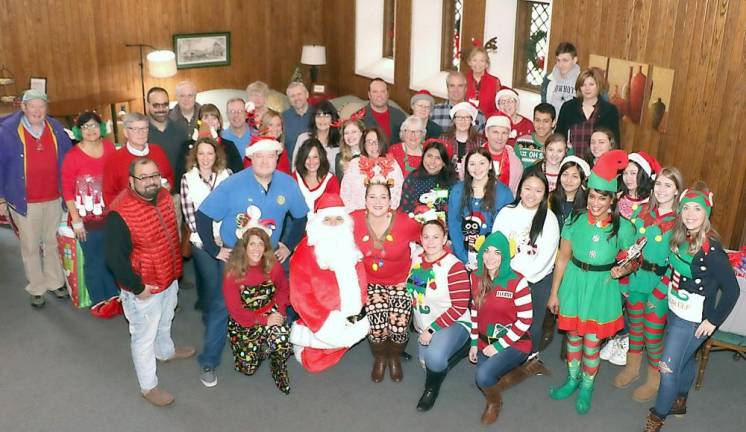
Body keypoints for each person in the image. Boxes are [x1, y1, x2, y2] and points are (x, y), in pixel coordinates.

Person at [642, 186, 740, 432]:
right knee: (683, 360)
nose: (690, 214)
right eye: (686, 207)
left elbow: (732, 290)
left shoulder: (712, 250)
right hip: (676, 310)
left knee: (667, 368)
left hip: (694, 320)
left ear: (706, 213)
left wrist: (713, 321)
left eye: (697, 209)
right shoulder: (679, 235)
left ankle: (657, 417)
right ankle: (680, 400)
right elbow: (672, 270)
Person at [547, 150, 635, 415]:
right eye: (593, 197)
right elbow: (562, 258)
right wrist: (554, 294)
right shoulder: (574, 219)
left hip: (601, 286)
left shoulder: (624, 228)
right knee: (573, 336)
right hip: (574, 282)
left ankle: (587, 384)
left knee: (592, 340)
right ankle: (573, 379)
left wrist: (625, 269)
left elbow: (632, 260)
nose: (596, 203)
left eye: (602, 198)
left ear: (613, 199)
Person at [105, 157, 195, 407]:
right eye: (143, 178)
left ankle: (165, 352)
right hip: (144, 287)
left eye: (154, 175)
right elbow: (114, 258)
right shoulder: (119, 212)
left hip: (168, 276)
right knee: (144, 336)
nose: (150, 181)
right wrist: (137, 287)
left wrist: (176, 271)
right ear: (131, 181)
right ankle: (148, 386)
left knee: (165, 320)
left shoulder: (165, 195)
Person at [613, 167, 682, 402]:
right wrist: (622, 274)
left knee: (652, 335)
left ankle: (654, 379)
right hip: (635, 279)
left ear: (676, 192)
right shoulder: (642, 212)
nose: (661, 190)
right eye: (659, 184)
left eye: (668, 185)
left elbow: (678, 264)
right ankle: (633, 368)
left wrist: (661, 291)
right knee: (635, 328)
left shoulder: (680, 222)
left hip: (659, 284)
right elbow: (629, 249)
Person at [0, 89, 72, 307]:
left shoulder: (56, 129)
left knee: (52, 242)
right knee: (30, 246)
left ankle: (54, 282)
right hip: (24, 201)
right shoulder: (7, 132)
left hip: (53, 197)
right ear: (23, 107)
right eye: (33, 106)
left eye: (41, 106)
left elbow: (68, 159)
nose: (37, 111)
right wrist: (1, 199)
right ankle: (37, 287)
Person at [195, 137, 308, 266]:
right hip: (236, 258)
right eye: (259, 156)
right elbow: (202, 216)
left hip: (270, 257)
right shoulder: (232, 184)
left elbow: (301, 217)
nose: (265, 162)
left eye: (270, 156)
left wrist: (288, 246)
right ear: (251, 157)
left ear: (277, 157)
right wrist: (215, 250)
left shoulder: (288, 184)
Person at [289, 194, 370, 372]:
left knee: (341, 342)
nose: (334, 223)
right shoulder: (305, 250)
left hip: (350, 313)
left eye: (338, 219)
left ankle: (340, 341)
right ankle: (312, 345)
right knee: (313, 362)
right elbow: (299, 296)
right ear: (317, 222)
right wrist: (325, 322)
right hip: (321, 318)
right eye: (327, 219)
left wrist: (358, 308)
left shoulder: (349, 243)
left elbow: (361, 278)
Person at [492, 167, 559, 375]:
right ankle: (504, 354)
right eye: (527, 188)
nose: (532, 194)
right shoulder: (506, 213)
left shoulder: (549, 219)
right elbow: (496, 246)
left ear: (545, 194)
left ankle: (531, 356)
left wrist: (523, 281)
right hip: (507, 279)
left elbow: (546, 256)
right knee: (505, 320)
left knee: (532, 324)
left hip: (535, 281)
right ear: (519, 189)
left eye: (538, 190)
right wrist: (506, 277)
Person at [352, 182, 420, 382]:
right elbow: (329, 229)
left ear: (391, 201)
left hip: (400, 281)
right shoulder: (354, 219)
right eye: (372, 196)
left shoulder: (405, 222)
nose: (378, 202)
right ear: (365, 200)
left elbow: (431, 238)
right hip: (371, 283)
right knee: (377, 324)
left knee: (399, 328)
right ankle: (381, 357)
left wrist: (414, 279)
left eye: (383, 197)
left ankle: (394, 357)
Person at [179, 136, 232, 387]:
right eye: (201, 154)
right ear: (195, 156)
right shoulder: (187, 179)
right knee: (212, 293)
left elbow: (233, 209)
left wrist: (226, 238)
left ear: (216, 155)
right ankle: (214, 330)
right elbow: (191, 218)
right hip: (203, 245)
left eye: (210, 153)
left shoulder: (226, 175)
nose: (206, 158)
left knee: (225, 293)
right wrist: (211, 243)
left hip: (228, 243)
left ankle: (216, 330)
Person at [468, 231, 534, 425]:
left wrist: (498, 347)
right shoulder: (475, 277)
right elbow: (474, 311)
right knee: (485, 378)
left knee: (483, 377)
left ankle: (494, 404)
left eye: (497, 252)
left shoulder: (518, 281)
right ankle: (521, 370)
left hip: (515, 343)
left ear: (505, 256)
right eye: (486, 251)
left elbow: (525, 320)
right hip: (483, 340)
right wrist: (473, 343)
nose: (490, 257)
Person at [407, 220, 470, 411]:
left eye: (436, 237)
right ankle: (444, 352)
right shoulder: (418, 258)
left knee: (435, 359)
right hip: (425, 323)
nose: (430, 241)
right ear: (420, 239)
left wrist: (432, 329)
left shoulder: (454, 267)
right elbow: (416, 289)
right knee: (426, 363)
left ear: (444, 239)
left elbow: (459, 307)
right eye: (426, 237)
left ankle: (431, 388)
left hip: (454, 321)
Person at [61, 111, 120, 317]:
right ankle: (98, 301)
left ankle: (114, 297)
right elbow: (67, 190)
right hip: (85, 218)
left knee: (111, 256)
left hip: (110, 214)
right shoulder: (72, 156)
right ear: (79, 131)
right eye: (85, 127)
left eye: (94, 125)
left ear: (101, 128)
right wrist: (76, 220)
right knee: (94, 259)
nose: (90, 130)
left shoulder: (110, 148)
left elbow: (117, 178)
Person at [223, 227, 291, 394]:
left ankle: (279, 369)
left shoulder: (273, 266)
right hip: (245, 320)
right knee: (247, 369)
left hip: (270, 311)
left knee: (283, 340)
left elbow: (283, 288)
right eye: (252, 244)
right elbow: (235, 309)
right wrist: (263, 320)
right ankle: (263, 348)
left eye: (261, 244)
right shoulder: (233, 273)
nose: (256, 249)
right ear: (244, 247)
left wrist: (280, 311)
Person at [447, 148, 513, 270]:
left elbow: (506, 229)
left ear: (490, 165)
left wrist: (491, 259)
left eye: (482, 163)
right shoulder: (457, 191)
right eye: (472, 164)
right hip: (462, 258)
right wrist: (464, 258)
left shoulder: (504, 193)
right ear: (466, 167)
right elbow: (454, 225)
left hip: (493, 262)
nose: (477, 168)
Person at [102, 113, 174, 204]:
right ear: (125, 132)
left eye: (144, 128)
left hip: (160, 207)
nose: (141, 133)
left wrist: (168, 186)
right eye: (135, 129)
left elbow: (169, 176)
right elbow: (108, 194)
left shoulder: (158, 151)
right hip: (130, 213)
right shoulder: (114, 159)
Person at [555, 67, 620, 162]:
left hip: (599, 163)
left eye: (591, 84)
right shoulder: (568, 107)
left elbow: (615, 141)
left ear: (598, 85)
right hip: (572, 161)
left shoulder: (610, 110)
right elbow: (559, 136)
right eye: (583, 85)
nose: (587, 88)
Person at [174, 104, 243, 185]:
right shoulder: (187, 147)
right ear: (199, 122)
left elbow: (239, 174)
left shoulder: (229, 146)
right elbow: (179, 176)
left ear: (219, 123)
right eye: (206, 117)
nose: (210, 121)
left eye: (214, 118)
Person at [340, 127, 404, 212]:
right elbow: (345, 193)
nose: (374, 146)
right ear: (364, 145)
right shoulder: (354, 164)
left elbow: (398, 193)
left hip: (386, 215)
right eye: (369, 142)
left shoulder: (393, 164)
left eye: (377, 142)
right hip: (358, 214)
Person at [400, 141, 457, 218]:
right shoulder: (412, 178)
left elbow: (455, 212)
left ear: (444, 162)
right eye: (429, 156)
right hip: (416, 225)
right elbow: (405, 209)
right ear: (423, 157)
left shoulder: (452, 182)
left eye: (438, 158)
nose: (432, 162)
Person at [146, 87, 189, 183]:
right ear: (148, 105)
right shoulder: (140, 132)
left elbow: (187, 163)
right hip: (150, 191)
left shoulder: (181, 129)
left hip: (179, 189)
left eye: (165, 105)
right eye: (156, 105)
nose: (161, 109)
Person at [438, 101, 485, 177]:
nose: (463, 121)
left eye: (467, 117)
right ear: (454, 120)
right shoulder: (443, 139)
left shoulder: (480, 142)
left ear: (471, 121)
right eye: (459, 117)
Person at [294, 138, 340, 216]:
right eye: (307, 157)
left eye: (315, 157)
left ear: (321, 158)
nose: (311, 162)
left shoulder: (331, 180)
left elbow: (334, 211)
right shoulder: (295, 178)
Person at [292, 101, 340, 174]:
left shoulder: (339, 143)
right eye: (318, 116)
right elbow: (295, 167)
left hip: (332, 183)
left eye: (326, 116)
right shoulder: (303, 138)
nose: (322, 120)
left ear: (332, 119)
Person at [482, 115, 523, 195]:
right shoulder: (472, 158)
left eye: (504, 133)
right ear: (487, 133)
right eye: (495, 132)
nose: (499, 137)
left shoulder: (516, 163)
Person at [549, 155, 590, 232]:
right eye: (565, 175)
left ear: (582, 179)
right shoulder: (549, 199)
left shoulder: (588, 203)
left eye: (574, 176)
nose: (568, 180)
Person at [245, 110, 291, 174]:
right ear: (264, 126)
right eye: (271, 125)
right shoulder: (254, 149)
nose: (275, 129)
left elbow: (287, 176)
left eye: (278, 125)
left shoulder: (281, 150)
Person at [540, 42, 581, 115]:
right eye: (558, 60)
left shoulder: (582, 80)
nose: (560, 65)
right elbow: (544, 106)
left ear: (574, 60)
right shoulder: (548, 78)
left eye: (565, 60)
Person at [362, 78, 407, 143]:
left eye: (383, 91)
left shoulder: (399, 115)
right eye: (375, 92)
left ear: (388, 94)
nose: (379, 95)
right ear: (369, 95)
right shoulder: (360, 118)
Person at [617, 151, 659, 219]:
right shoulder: (618, 197)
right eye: (625, 173)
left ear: (643, 175)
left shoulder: (651, 201)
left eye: (633, 173)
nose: (628, 178)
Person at [514, 103, 557, 168]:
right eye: (537, 120)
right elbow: (515, 172)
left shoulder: (564, 147)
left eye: (545, 121)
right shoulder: (521, 143)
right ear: (533, 121)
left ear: (553, 123)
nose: (541, 125)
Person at [465, 46, 501, 116]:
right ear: (469, 62)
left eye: (482, 61)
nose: (478, 64)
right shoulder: (463, 80)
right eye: (474, 60)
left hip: (488, 122)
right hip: (466, 121)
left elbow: (498, 106)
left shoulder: (495, 82)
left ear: (486, 64)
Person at [282, 81, 311, 157]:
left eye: (299, 94)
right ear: (288, 99)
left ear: (307, 94)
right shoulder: (282, 118)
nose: (296, 98)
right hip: (290, 165)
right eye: (292, 96)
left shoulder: (318, 115)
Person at [335, 117, 364, 182]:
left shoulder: (370, 154)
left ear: (361, 133)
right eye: (346, 133)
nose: (350, 136)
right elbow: (340, 184)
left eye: (354, 132)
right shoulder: (340, 157)